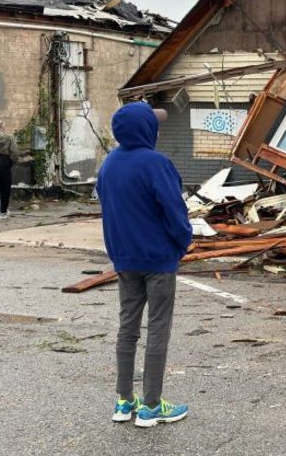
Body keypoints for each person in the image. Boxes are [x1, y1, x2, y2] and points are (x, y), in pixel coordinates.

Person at [96, 102, 192, 428]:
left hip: (125, 260)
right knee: (158, 329)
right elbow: (175, 212)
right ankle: (151, 406)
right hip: (159, 260)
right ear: (146, 129)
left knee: (128, 329)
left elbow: (108, 212)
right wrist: (181, 244)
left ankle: (124, 401)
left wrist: (117, 253)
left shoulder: (108, 165)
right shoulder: (156, 163)